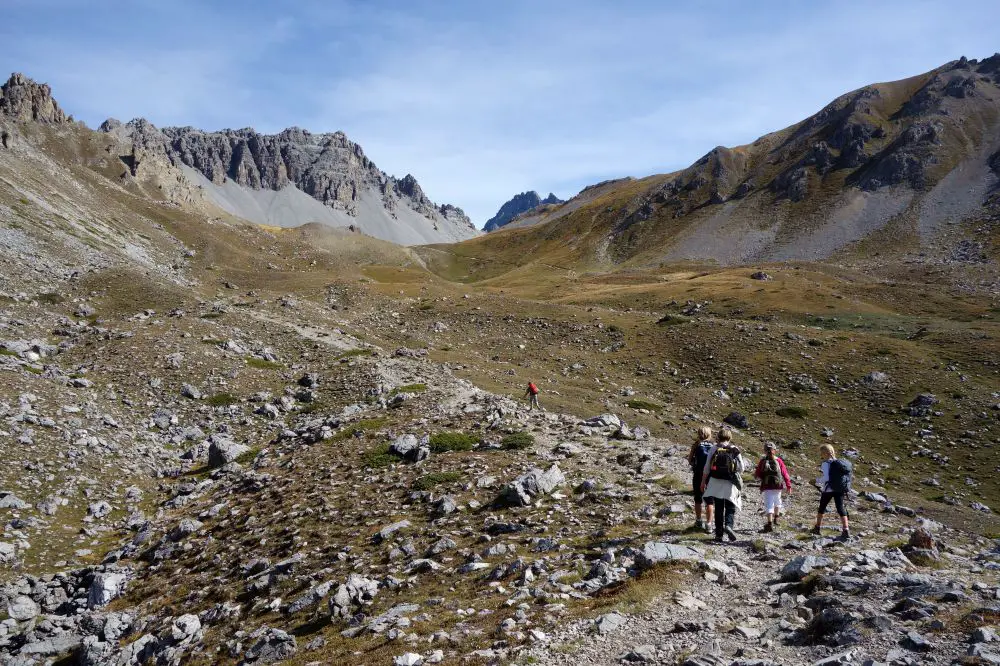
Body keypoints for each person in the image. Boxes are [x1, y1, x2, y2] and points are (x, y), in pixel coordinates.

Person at [700, 428, 749, 543]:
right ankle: (728, 525)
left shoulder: (714, 448)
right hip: (730, 482)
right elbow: (742, 468)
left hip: (715, 481)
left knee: (719, 508)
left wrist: (703, 482)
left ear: (718, 437)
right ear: (730, 437)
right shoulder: (735, 449)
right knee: (730, 507)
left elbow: (707, 467)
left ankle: (718, 535)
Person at [813, 443, 852, 540]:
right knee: (840, 508)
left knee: (822, 508)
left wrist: (816, 480)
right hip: (840, 489)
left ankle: (817, 528)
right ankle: (846, 530)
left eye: (821, 453)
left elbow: (826, 478)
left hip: (829, 489)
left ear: (825, 453)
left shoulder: (825, 463)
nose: (820, 455)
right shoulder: (840, 463)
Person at [753, 442, 792, 532]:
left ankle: (769, 524)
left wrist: (759, 477)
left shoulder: (763, 461)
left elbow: (757, 474)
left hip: (767, 486)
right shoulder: (779, 461)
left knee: (769, 504)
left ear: (765, 451)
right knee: (777, 501)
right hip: (778, 485)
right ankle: (776, 520)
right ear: (774, 450)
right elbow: (785, 474)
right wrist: (789, 486)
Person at [687, 426, 715, 532]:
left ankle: (699, 521)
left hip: (698, 474)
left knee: (698, 499)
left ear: (699, 433)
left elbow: (690, 460)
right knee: (710, 501)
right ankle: (709, 525)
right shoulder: (714, 445)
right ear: (709, 433)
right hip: (711, 476)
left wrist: (695, 463)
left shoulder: (696, 445)